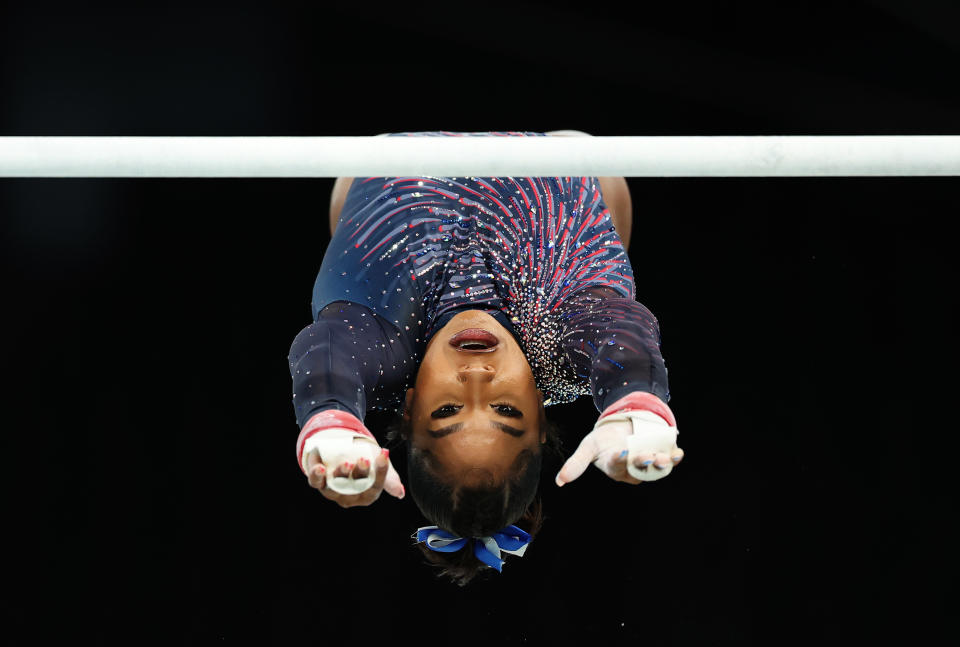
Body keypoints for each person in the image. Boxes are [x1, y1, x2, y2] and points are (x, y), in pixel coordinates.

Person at [288, 130, 684, 585]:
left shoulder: (384, 345)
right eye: (506, 409)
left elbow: (327, 352)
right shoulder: (558, 352)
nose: (477, 376)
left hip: (388, 160)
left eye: (448, 409)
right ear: (538, 406)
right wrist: (634, 402)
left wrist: (331, 420)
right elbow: (623, 334)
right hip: (567, 154)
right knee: (606, 283)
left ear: (410, 405)